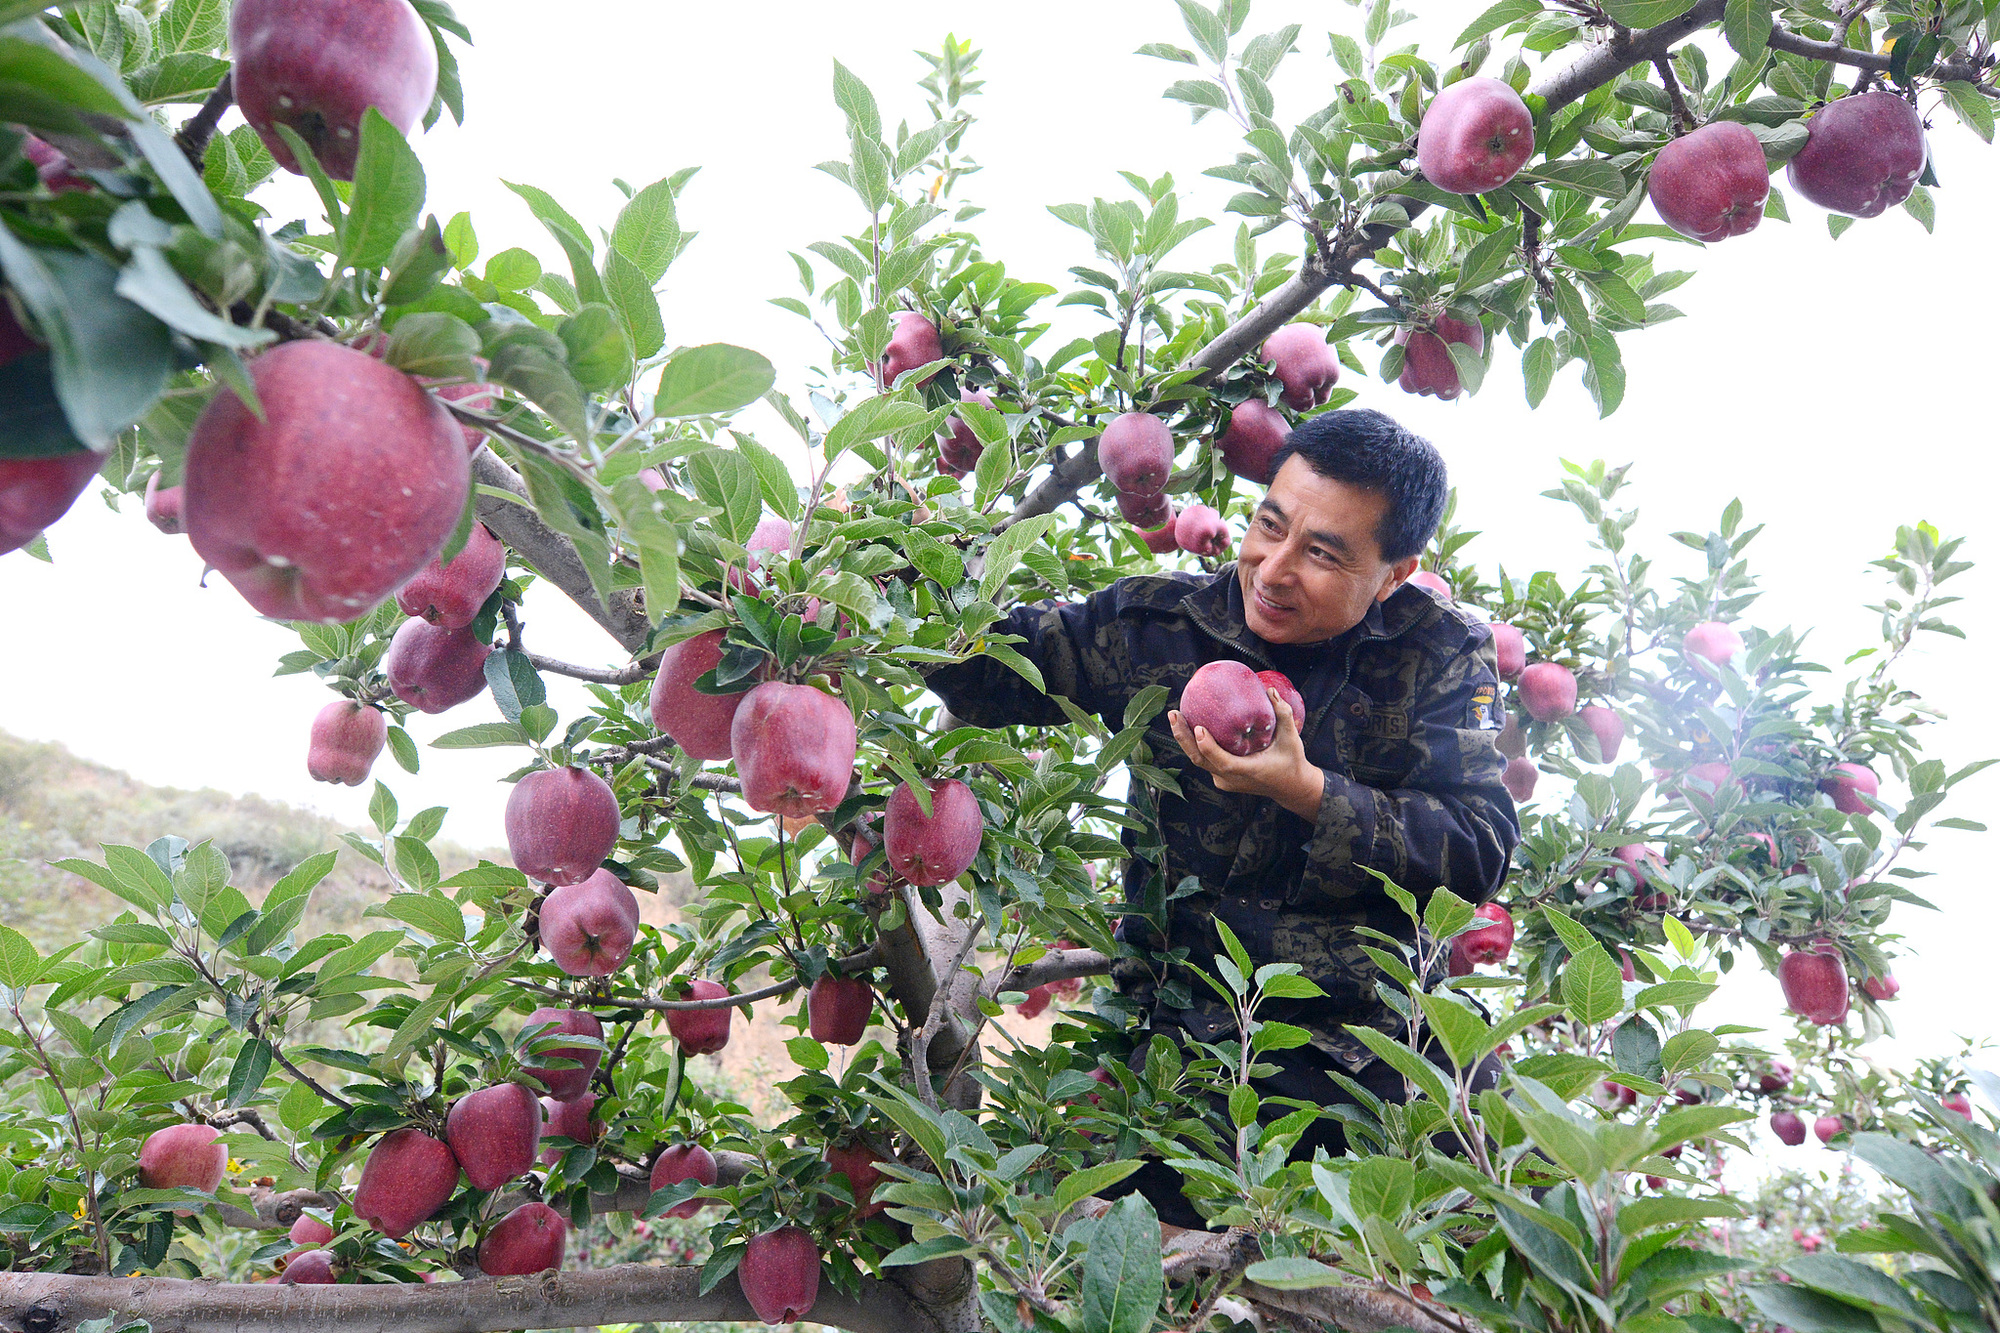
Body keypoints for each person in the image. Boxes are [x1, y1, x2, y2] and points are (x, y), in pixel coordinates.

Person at [924, 407, 1519, 1228]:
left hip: (1372, 1073)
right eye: (1269, 525)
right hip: (1187, 1068)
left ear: (1393, 572)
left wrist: (1306, 789)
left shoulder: (1440, 652)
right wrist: (895, 566)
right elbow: (994, 666)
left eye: (1322, 553)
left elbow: (1479, 843)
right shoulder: (1161, 627)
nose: (1272, 569)